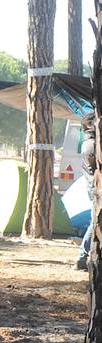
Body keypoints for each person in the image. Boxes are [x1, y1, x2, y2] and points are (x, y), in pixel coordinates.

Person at [76, 113, 96, 271]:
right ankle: (82, 257)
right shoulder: (92, 144)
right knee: (95, 223)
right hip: (97, 190)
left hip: (94, 189)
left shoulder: (88, 143)